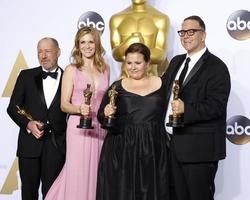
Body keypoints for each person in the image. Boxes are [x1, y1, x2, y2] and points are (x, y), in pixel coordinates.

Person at [162, 15, 231, 200]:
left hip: (199, 152)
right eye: (182, 32)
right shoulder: (176, 62)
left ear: (203, 35)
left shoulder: (217, 67)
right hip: (172, 147)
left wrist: (187, 109)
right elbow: (161, 91)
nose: (186, 36)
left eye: (191, 31)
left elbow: (216, 106)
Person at [96, 43, 170, 200]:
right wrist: (107, 113)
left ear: (148, 63)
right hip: (123, 149)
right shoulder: (116, 87)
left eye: (138, 63)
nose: (133, 67)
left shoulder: (164, 84)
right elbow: (102, 115)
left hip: (154, 148)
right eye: (129, 63)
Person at [45, 26, 109, 200]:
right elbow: (64, 105)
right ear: (77, 45)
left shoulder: (105, 69)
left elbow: (104, 101)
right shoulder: (71, 69)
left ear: (96, 44)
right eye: (83, 42)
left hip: (99, 127)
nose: (87, 46)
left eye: (91, 41)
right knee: (77, 172)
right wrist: (79, 109)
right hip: (78, 128)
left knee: (97, 171)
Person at [7, 37, 67, 200]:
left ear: (58, 52)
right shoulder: (26, 76)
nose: (43, 55)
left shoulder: (69, 77)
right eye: (40, 51)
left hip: (56, 146)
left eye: (47, 51)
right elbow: (12, 107)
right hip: (29, 144)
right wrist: (28, 124)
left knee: (53, 194)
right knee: (29, 192)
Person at [109, 0, 170, 77]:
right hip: (125, 79)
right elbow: (116, 54)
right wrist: (127, 43)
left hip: (150, 79)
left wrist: (139, 49)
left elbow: (160, 55)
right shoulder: (117, 19)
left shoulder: (160, 18)